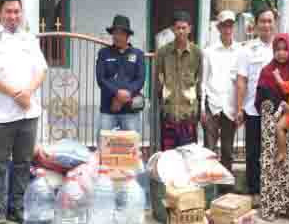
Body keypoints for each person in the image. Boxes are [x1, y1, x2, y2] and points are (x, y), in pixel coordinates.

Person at [0, 0, 48, 224]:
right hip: (2, 113)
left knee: (23, 162)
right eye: (8, 11)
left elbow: (41, 70)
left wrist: (27, 92)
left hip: (28, 112)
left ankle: (16, 208)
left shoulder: (29, 39)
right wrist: (15, 94)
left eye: (17, 11)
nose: (13, 16)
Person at [254, 33, 289, 222]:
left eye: (284, 49)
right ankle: (271, 207)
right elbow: (260, 101)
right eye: (277, 49)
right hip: (273, 127)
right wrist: (275, 109)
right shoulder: (267, 72)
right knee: (274, 166)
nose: (281, 53)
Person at [236, 7, 276, 204]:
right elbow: (242, 80)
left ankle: (273, 191)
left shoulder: (283, 47)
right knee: (253, 153)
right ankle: (254, 192)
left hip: (277, 113)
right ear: (256, 25)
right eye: (263, 21)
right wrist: (239, 108)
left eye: (270, 21)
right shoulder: (247, 50)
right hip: (253, 110)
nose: (266, 25)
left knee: (274, 152)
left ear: (275, 23)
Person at [156, 10, 202, 151]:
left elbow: (199, 83)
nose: (181, 31)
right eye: (178, 28)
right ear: (172, 29)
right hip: (168, 113)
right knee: (168, 157)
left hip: (188, 115)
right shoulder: (163, 52)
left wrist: (198, 110)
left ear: (190, 29)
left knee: (188, 156)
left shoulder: (197, 53)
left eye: (184, 28)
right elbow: (158, 80)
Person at [201, 10, 241, 173]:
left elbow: (241, 81)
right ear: (218, 28)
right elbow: (203, 80)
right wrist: (202, 108)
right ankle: (208, 187)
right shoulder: (209, 51)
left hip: (230, 105)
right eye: (224, 25)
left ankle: (226, 189)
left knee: (227, 150)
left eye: (230, 25)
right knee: (209, 149)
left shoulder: (240, 51)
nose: (227, 29)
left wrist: (240, 108)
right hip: (212, 103)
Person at [96, 15, 145, 136]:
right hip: (108, 109)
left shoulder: (138, 54)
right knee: (104, 147)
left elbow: (140, 80)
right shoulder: (104, 53)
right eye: (115, 33)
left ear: (128, 36)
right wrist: (117, 94)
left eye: (121, 33)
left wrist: (125, 96)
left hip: (130, 111)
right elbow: (101, 79)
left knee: (130, 149)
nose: (117, 37)